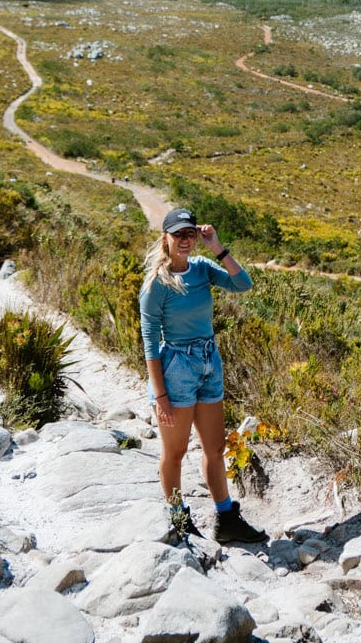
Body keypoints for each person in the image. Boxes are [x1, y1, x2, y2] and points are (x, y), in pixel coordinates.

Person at [139, 206, 267, 543]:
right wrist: (161, 395)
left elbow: (243, 284)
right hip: (176, 368)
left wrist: (217, 247)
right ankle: (179, 519)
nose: (184, 240)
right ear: (165, 238)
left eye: (189, 233)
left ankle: (226, 519)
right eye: (178, 234)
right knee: (175, 453)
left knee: (215, 447)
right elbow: (150, 342)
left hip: (209, 361)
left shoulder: (202, 268)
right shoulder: (155, 285)